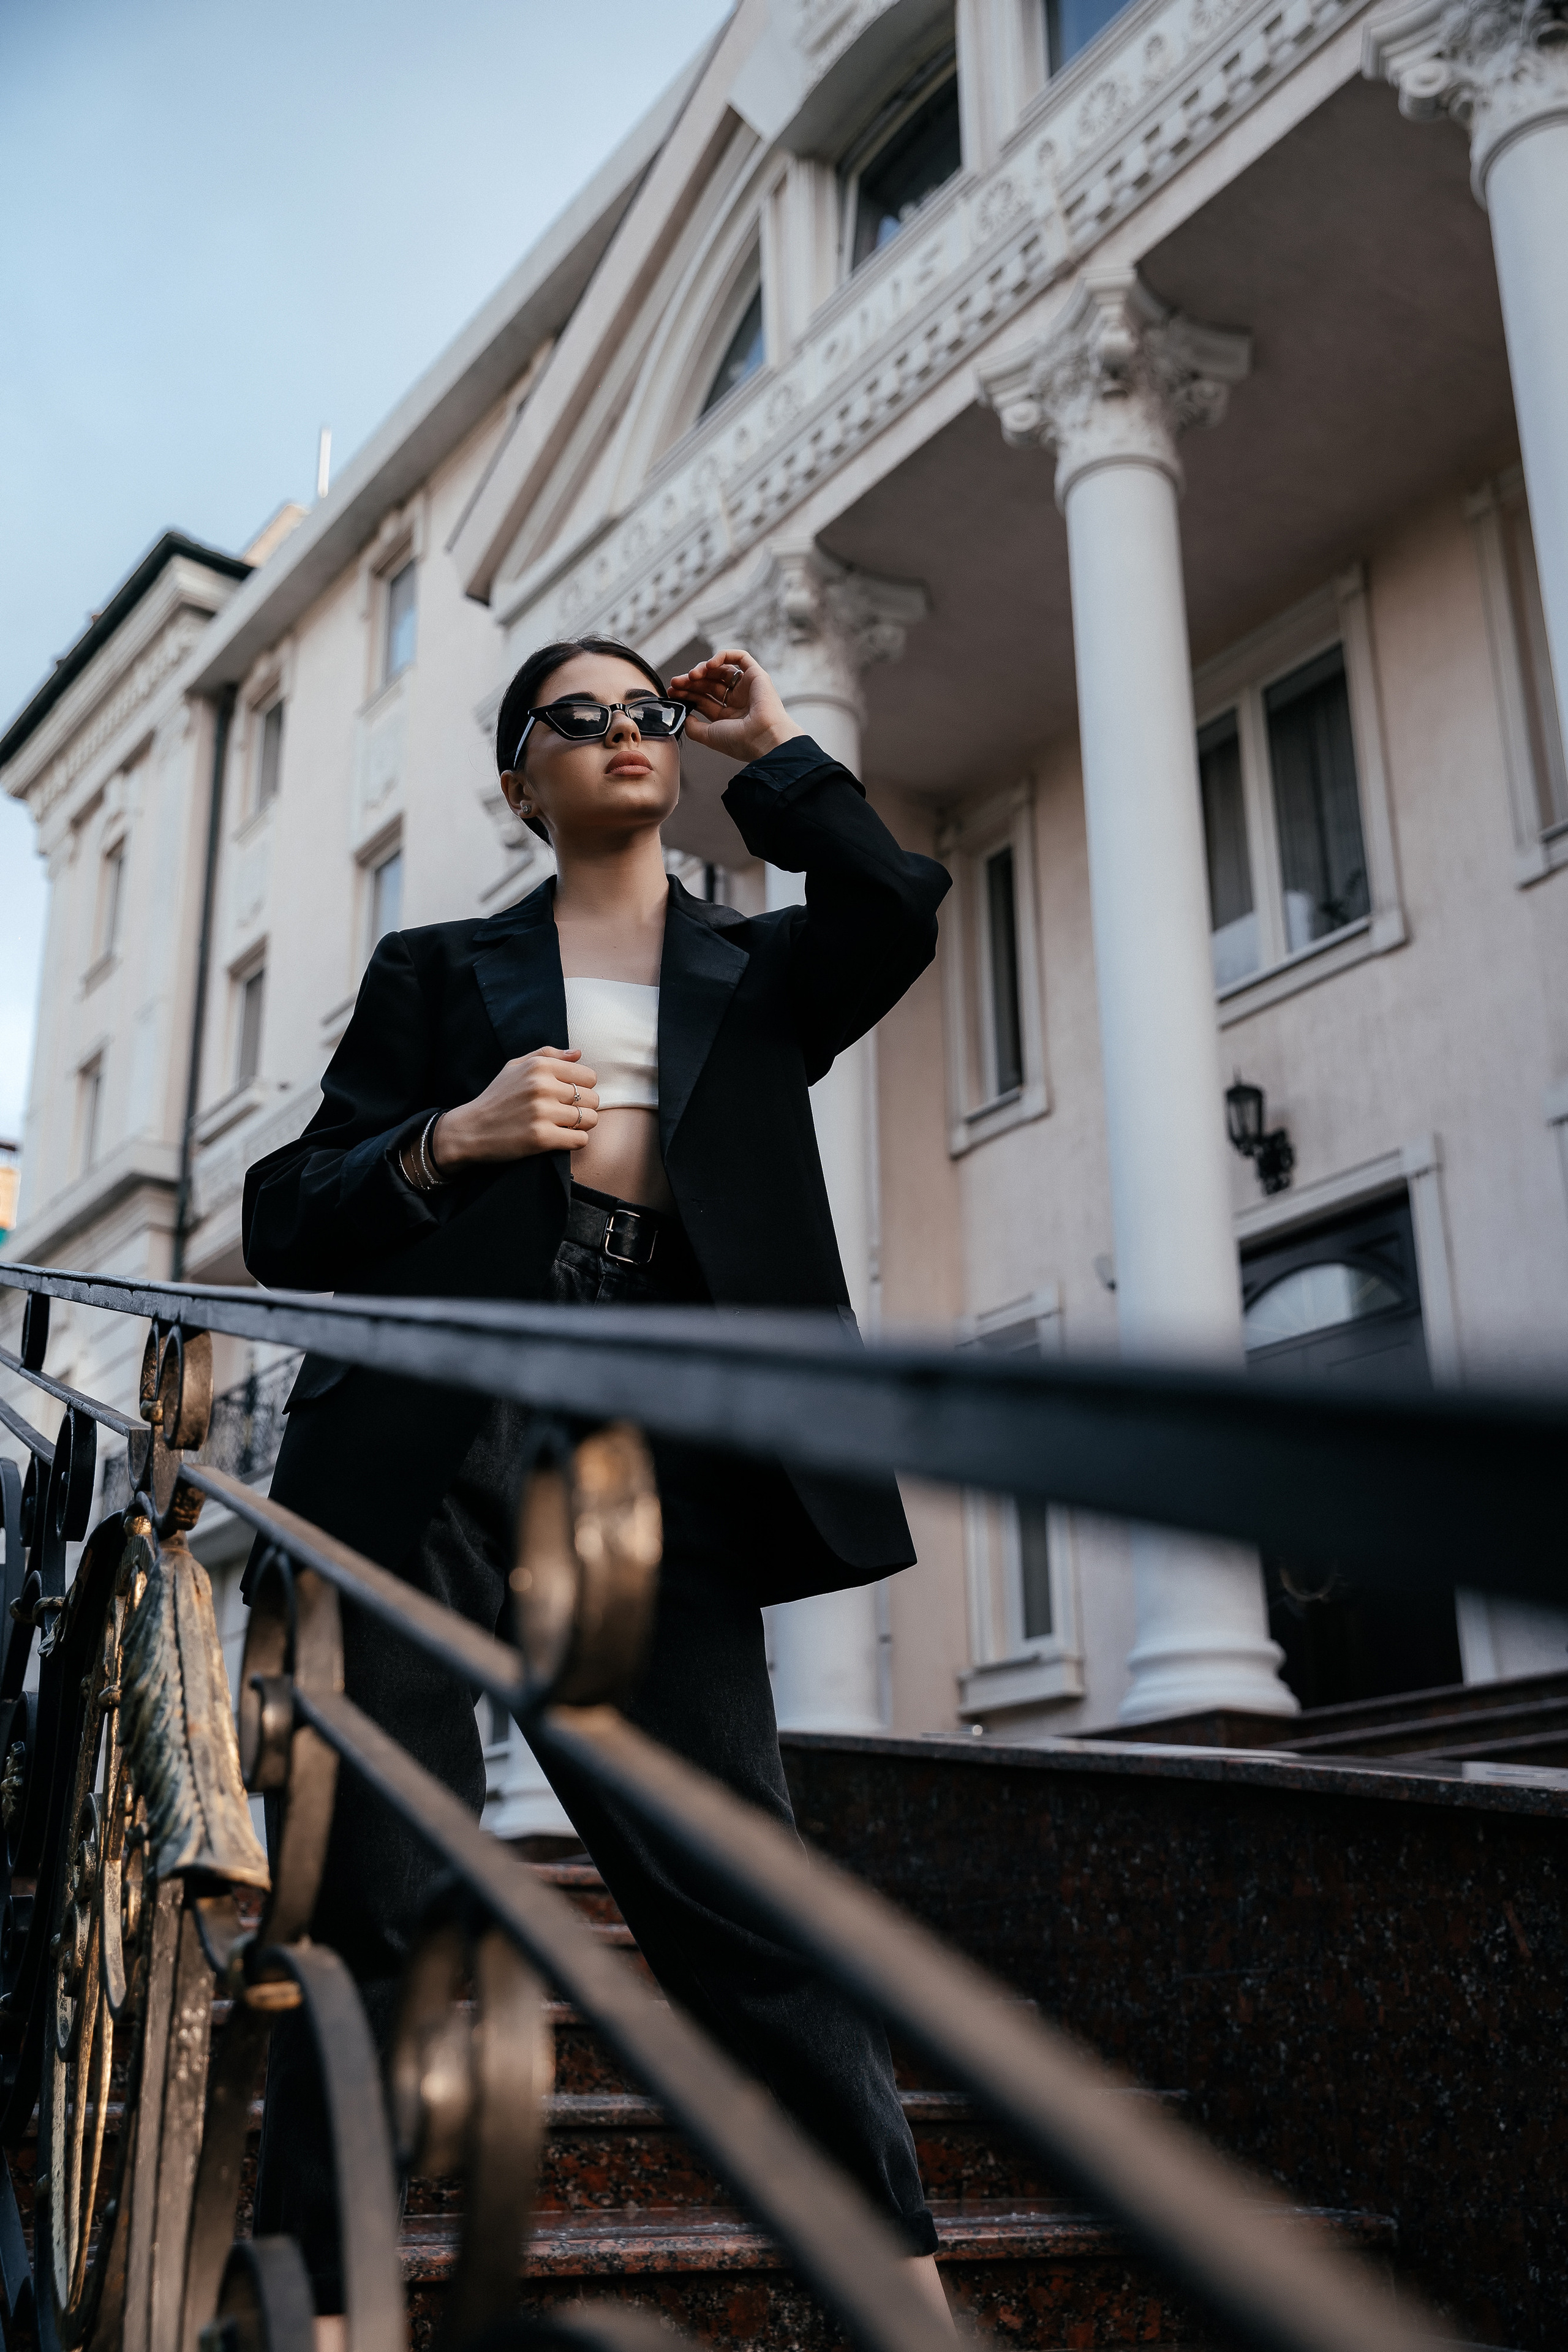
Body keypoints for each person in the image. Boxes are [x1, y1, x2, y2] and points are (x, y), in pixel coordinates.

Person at [241, 635, 954, 2336]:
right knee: (381, 1890)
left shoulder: (762, 972)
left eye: (650, 715)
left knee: (739, 1896)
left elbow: (895, 904)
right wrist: (451, 1139)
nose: (629, 734)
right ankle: (321, 2309)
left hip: (660, 1453)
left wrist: (775, 747)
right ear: (520, 780)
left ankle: (903, 2307)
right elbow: (289, 1215)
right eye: (586, 716)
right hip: (433, 1432)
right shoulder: (439, 969)